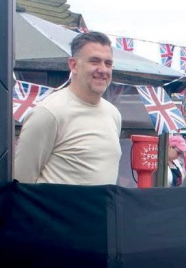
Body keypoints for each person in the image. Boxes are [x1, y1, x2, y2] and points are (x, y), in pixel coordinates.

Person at [14, 31, 122, 186]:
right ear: (73, 65)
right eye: (94, 61)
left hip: (101, 210)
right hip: (56, 210)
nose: (103, 69)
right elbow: (22, 183)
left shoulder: (113, 114)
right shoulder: (48, 113)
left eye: (108, 63)